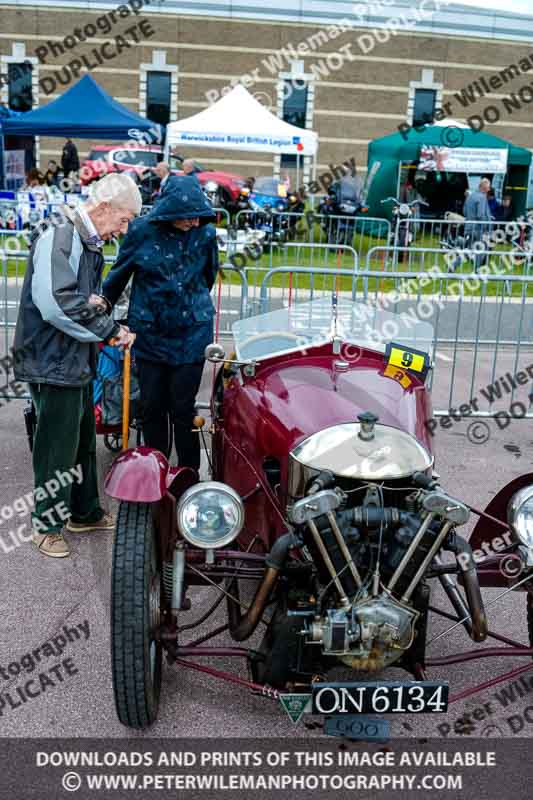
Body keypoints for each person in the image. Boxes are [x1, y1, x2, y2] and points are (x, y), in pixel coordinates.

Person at [13, 174, 140, 558]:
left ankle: (84, 512)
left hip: (70, 357)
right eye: (123, 219)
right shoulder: (62, 236)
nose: (124, 228)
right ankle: (45, 526)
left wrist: (98, 307)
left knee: (82, 440)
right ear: (104, 208)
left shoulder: (81, 240)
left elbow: (70, 299)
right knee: (56, 447)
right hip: (54, 359)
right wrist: (109, 330)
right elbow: (55, 304)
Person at [100, 176, 219, 471]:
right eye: (187, 216)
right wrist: (101, 313)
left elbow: (209, 276)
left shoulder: (205, 234)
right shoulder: (141, 231)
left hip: (191, 333)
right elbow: (118, 276)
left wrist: (187, 302)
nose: (193, 221)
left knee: (183, 407)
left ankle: (189, 475)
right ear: (170, 212)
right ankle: (155, 470)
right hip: (150, 334)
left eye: (197, 215)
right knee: (152, 407)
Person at [463, 178, 492, 270]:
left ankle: (453, 265)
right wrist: (486, 228)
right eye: (488, 187)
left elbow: (464, 211)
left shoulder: (470, 196)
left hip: (468, 227)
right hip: (478, 229)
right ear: (483, 187)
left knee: (469, 250)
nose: (489, 189)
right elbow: (480, 215)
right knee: (482, 249)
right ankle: (477, 270)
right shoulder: (482, 197)